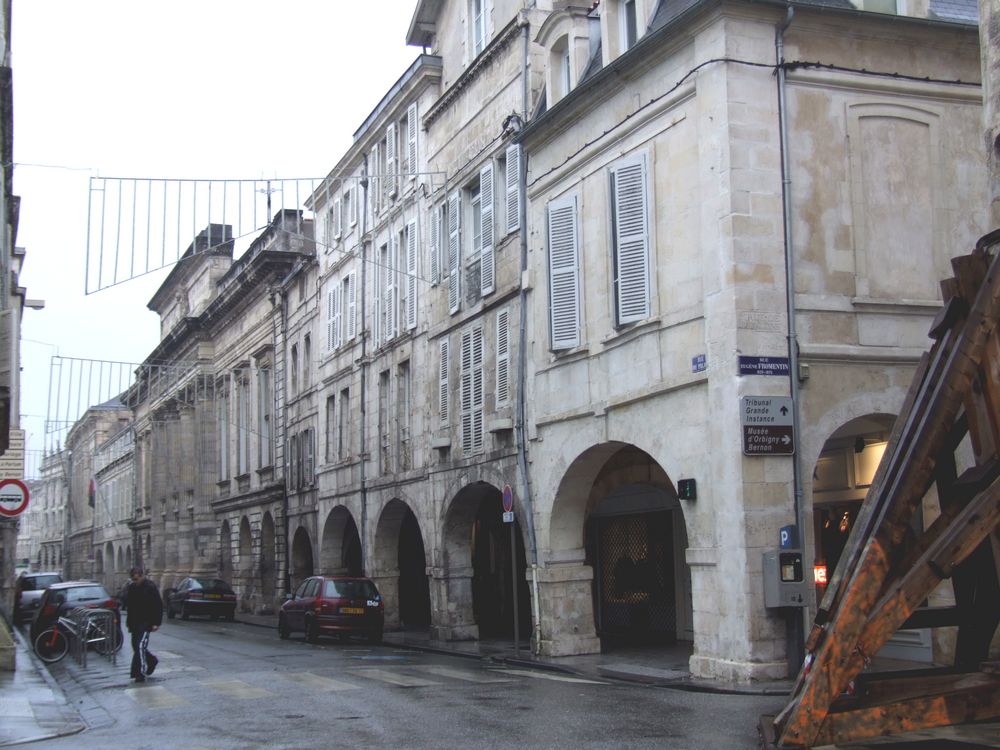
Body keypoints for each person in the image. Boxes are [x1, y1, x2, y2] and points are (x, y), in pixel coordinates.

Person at [120, 567, 163, 683]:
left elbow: (158, 605)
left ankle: (140, 672)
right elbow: (126, 603)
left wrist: (156, 623)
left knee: (140, 646)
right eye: (133, 579)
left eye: (136, 579)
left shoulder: (150, 587)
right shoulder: (132, 588)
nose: (135, 581)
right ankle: (152, 660)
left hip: (146, 622)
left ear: (141, 576)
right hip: (134, 621)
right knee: (136, 646)